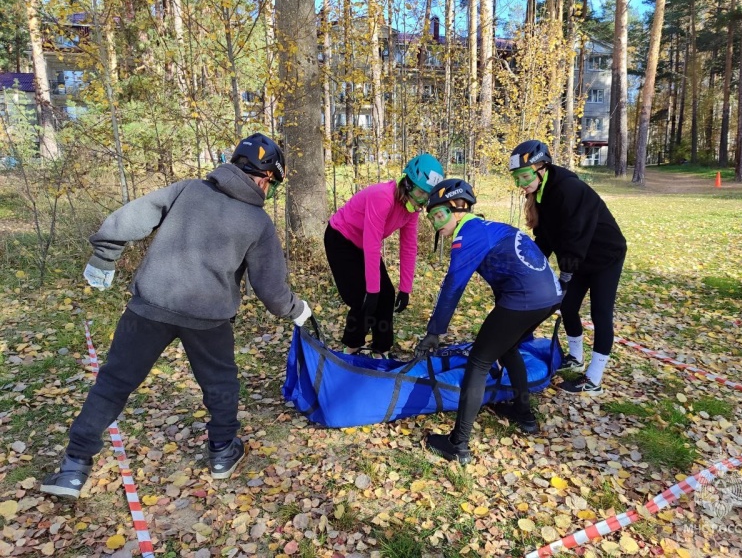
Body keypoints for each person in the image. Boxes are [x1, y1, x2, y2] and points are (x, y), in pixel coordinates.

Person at [41, 133, 313, 500]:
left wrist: (105, 254)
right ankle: (222, 452)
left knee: (114, 383)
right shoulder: (257, 222)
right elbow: (271, 289)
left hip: (151, 304)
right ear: (266, 177)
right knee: (220, 385)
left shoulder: (187, 190)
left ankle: (73, 468)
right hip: (209, 317)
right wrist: (296, 310)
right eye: (272, 184)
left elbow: (132, 217)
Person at [414, 179, 563, 464]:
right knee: (507, 348)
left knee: (479, 362)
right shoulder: (489, 228)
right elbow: (509, 272)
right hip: (550, 296)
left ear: (458, 208)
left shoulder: (468, 234)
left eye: (438, 215)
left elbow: (453, 285)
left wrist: (434, 331)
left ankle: (457, 444)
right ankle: (523, 414)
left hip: (526, 298)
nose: (435, 224)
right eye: (431, 218)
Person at [508, 139, 627, 396]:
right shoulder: (541, 194)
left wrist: (566, 272)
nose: (521, 183)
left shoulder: (568, 189)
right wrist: (529, 265)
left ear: (542, 168)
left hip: (606, 255)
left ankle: (594, 379)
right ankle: (576, 358)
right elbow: (545, 238)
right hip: (580, 256)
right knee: (568, 307)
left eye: (525, 176)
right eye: (517, 178)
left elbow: (576, 233)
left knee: (600, 313)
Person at [325, 153, 444, 357]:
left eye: (427, 196)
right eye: (420, 193)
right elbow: (372, 244)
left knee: (387, 295)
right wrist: (372, 290)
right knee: (363, 297)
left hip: (363, 244)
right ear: (408, 183)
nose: (422, 201)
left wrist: (405, 288)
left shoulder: (411, 210)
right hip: (341, 238)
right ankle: (350, 350)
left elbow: (408, 246)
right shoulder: (382, 196)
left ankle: (381, 350)